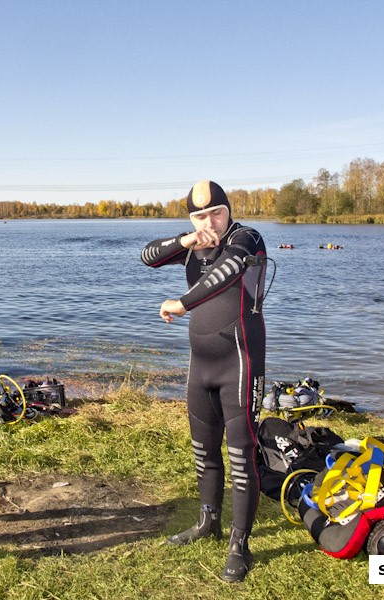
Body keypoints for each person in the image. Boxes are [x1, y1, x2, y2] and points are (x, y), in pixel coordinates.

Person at [141, 180, 267, 584]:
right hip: (202, 365)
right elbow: (148, 256)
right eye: (199, 215)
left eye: (216, 212)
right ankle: (207, 522)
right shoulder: (195, 240)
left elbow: (227, 274)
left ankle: (240, 543)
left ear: (229, 210)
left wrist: (181, 303)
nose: (210, 221)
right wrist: (187, 238)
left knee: (241, 454)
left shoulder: (247, 238)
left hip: (241, 362)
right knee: (203, 448)